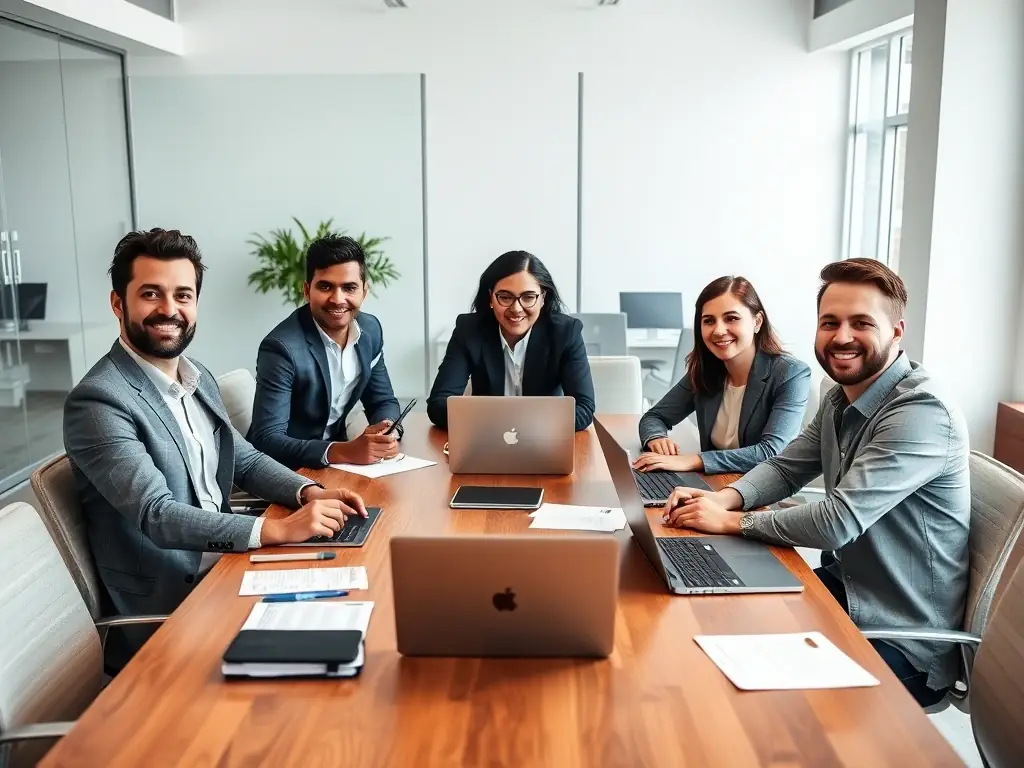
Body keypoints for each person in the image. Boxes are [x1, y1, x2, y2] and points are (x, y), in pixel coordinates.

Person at [662, 258, 970, 707]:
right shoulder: (841, 396)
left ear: (897, 331)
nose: (841, 336)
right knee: (707, 624)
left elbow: (836, 522)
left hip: (900, 638)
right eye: (830, 322)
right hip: (842, 591)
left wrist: (731, 522)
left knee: (745, 697)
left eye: (861, 322)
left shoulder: (920, 412)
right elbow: (787, 468)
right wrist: (725, 499)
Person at [63, 228, 368, 653]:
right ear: (119, 303)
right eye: (151, 294)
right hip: (173, 606)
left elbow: (242, 459)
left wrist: (309, 492)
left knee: (354, 605)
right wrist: (276, 529)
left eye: (183, 295)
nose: (170, 309)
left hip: (227, 567)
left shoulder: (196, 375)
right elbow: (158, 515)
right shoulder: (100, 400)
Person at [249, 234, 401, 470]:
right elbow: (267, 439)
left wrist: (388, 429)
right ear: (307, 290)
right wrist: (344, 451)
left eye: (349, 288)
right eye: (326, 286)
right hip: (289, 471)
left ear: (364, 291)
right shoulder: (281, 348)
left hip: (340, 467)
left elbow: (382, 400)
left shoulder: (371, 330)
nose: (338, 299)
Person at [634, 276, 810, 474]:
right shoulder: (708, 371)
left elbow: (770, 452)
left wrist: (694, 461)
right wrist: (656, 438)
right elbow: (654, 416)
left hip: (763, 491)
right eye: (708, 321)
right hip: (717, 484)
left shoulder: (790, 373)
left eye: (731, 318)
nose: (718, 330)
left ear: (757, 322)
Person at [427, 250, 595, 431]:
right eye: (505, 297)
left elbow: (584, 408)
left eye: (528, 297)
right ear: (491, 297)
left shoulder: (566, 332)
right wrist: (501, 428)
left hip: (544, 442)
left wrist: (522, 428)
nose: (516, 308)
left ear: (543, 299)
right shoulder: (469, 330)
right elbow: (438, 404)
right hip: (487, 443)